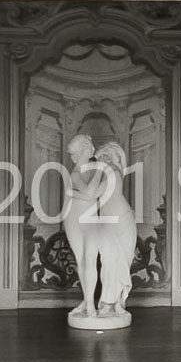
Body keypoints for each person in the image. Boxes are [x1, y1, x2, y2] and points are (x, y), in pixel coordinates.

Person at [90, 141, 137, 317]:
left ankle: (111, 303)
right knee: (112, 260)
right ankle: (113, 302)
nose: (97, 163)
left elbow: (92, 193)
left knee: (113, 261)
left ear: (107, 158)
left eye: (100, 159)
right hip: (114, 219)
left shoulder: (111, 172)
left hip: (117, 220)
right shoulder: (113, 171)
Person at [63, 134, 105, 318]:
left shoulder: (93, 170)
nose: (93, 149)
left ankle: (88, 302)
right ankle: (88, 302)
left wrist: (75, 194)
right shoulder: (75, 173)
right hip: (74, 219)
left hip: (91, 218)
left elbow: (95, 194)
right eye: (89, 146)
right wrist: (100, 170)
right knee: (82, 260)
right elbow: (90, 193)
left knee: (91, 259)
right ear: (81, 150)